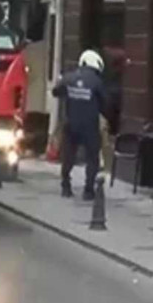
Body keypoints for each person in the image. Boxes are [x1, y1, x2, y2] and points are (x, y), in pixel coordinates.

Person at [54, 49, 107, 200]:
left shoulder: (68, 78)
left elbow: (56, 92)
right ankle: (88, 190)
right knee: (92, 158)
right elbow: (106, 102)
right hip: (90, 126)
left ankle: (65, 186)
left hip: (71, 124)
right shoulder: (97, 81)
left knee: (68, 156)